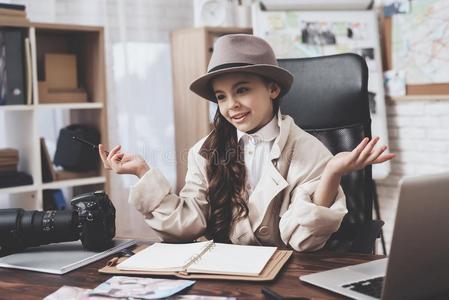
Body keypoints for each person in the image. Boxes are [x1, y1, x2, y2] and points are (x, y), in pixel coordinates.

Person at [99, 34, 394, 252]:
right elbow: (187, 225)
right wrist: (142, 173)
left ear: (273, 89)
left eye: (242, 90)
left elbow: (304, 240)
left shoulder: (308, 150)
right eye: (221, 96)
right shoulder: (204, 152)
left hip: (285, 272)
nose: (231, 106)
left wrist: (332, 173)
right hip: (225, 275)